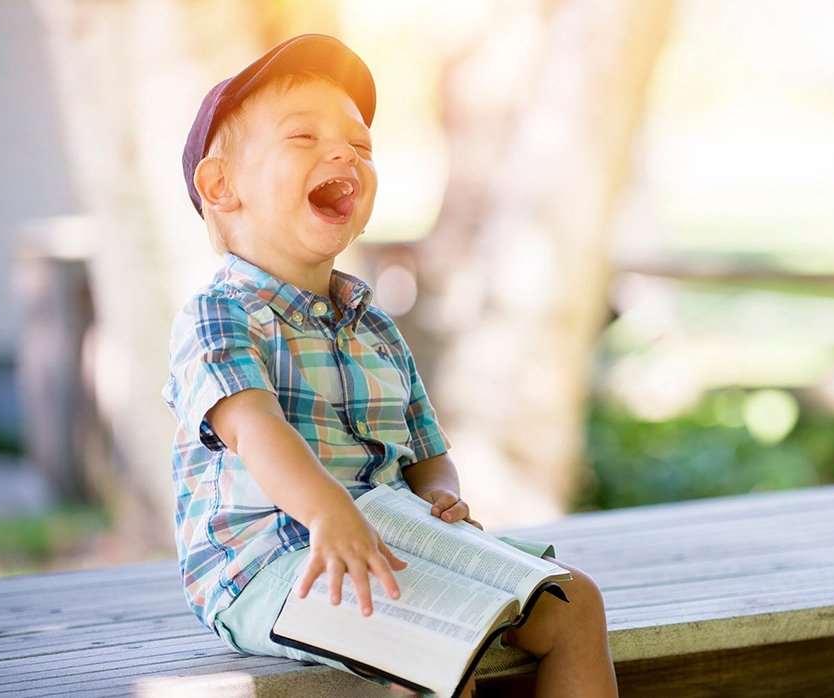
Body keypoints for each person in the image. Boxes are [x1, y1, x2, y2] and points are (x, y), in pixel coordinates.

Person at [162, 33, 617, 697]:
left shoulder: (373, 324)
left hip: (390, 539)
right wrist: (328, 513)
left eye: (361, 144)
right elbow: (254, 429)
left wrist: (438, 492)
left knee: (576, 605)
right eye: (302, 137)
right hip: (268, 565)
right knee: (430, 640)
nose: (344, 151)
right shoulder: (219, 315)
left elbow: (427, 450)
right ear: (221, 185)